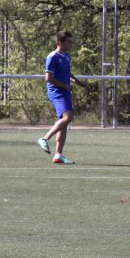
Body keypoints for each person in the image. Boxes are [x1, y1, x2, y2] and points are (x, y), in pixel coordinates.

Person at [37, 30, 85, 165]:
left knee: (63, 123)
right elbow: (48, 78)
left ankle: (58, 155)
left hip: (65, 91)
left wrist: (78, 82)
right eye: (68, 42)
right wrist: (64, 86)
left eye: (71, 41)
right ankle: (44, 138)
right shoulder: (52, 57)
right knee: (68, 117)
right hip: (57, 92)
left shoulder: (67, 56)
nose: (71, 44)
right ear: (60, 42)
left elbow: (67, 72)